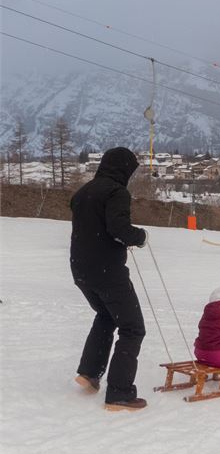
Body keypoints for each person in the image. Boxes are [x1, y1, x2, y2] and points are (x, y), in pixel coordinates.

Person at [70, 147, 148, 411]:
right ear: (123, 168)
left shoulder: (83, 192)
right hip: (107, 271)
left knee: (105, 316)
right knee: (132, 327)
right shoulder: (116, 192)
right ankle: (119, 393)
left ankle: (89, 373)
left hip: (81, 270)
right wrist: (140, 236)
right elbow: (118, 229)